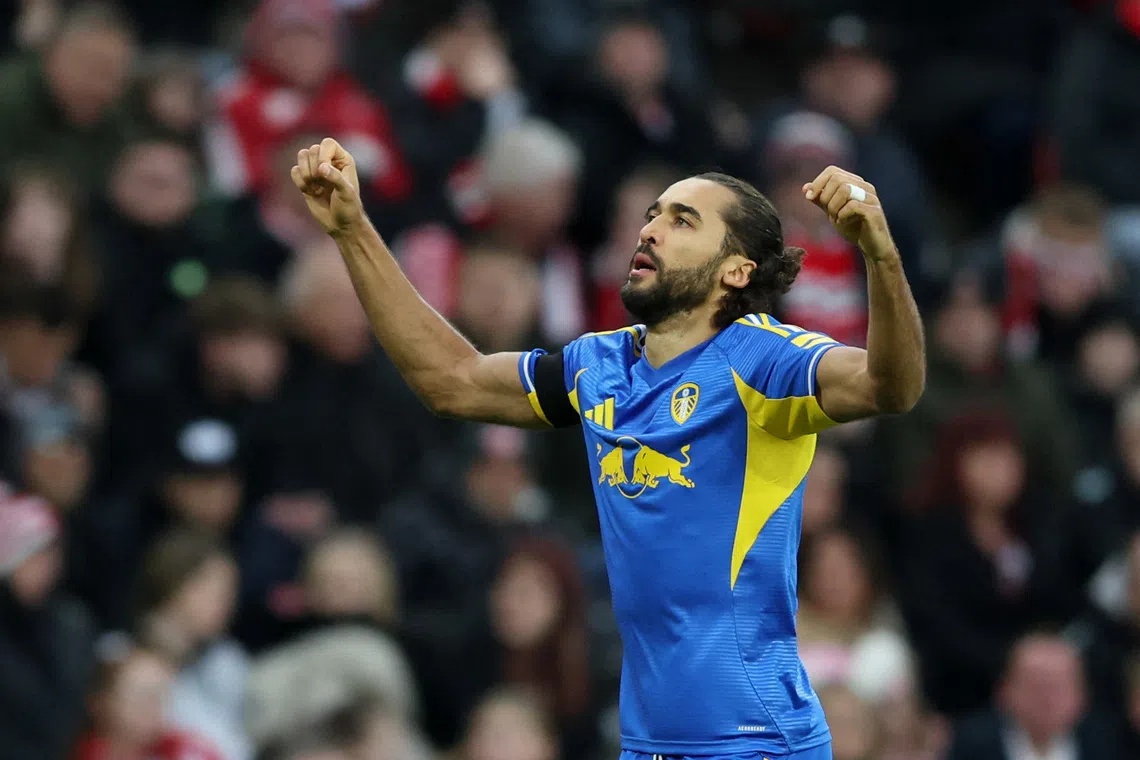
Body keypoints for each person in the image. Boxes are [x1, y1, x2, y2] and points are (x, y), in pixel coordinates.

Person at [289, 138, 925, 759]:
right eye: (652, 215)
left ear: (736, 269)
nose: (650, 230)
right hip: (647, 741)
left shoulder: (764, 360)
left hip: (755, 739)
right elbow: (452, 381)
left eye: (682, 221)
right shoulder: (599, 366)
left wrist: (881, 256)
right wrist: (352, 229)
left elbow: (890, 387)